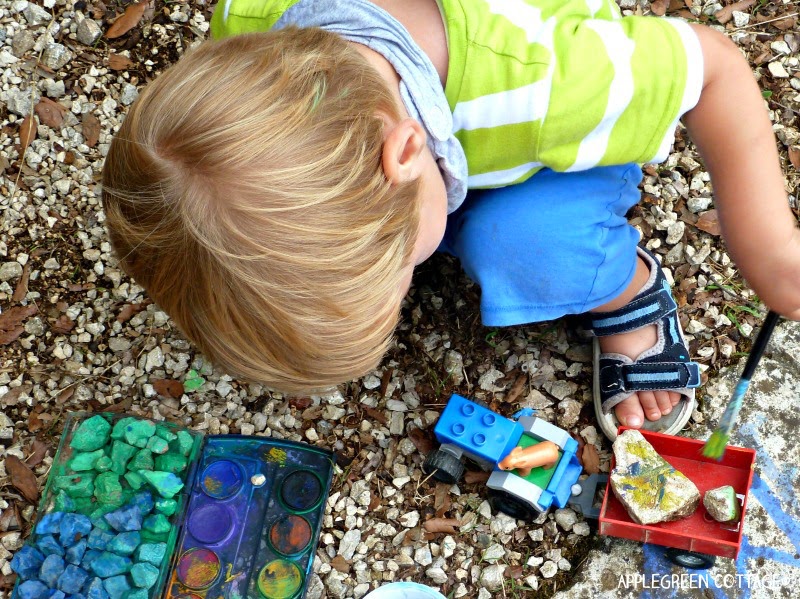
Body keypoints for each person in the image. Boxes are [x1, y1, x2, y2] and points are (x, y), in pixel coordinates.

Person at [101, 0, 800, 440]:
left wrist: (768, 249)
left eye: (400, 267)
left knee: (524, 245)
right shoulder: (246, 35)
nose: (411, 289)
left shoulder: (547, 81)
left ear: (406, 153)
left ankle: (627, 291)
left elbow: (714, 66)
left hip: (538, 138)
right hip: (430, 146)